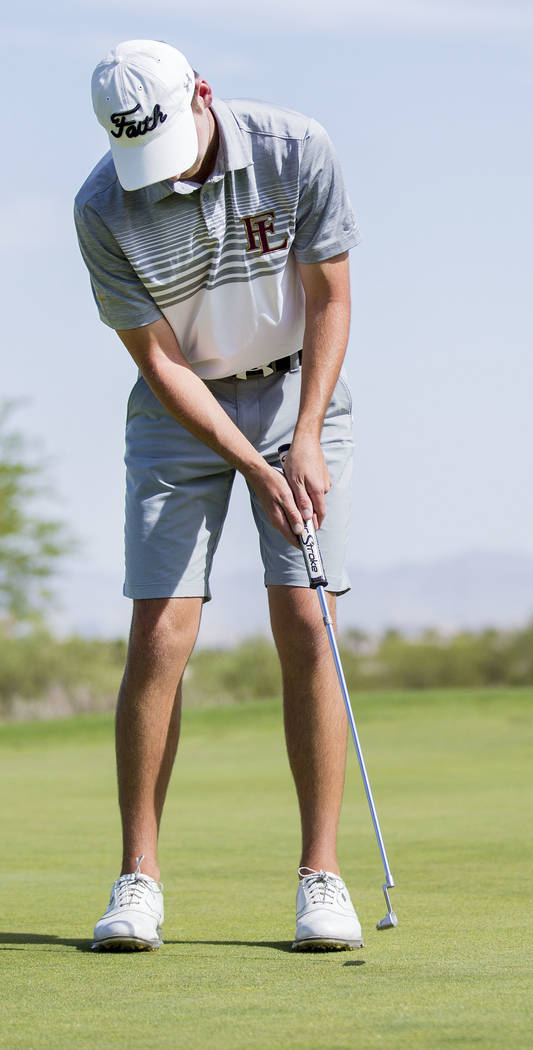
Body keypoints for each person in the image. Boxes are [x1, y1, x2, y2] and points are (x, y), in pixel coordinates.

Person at [75, 39, 363, 952]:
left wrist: (305, 435)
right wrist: (249, 461)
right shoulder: (101, 206)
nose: (156, 177)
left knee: (306, 619)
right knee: (160, 631)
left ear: (202, 94)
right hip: (182, 409)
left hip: (297, 392)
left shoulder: (295, 149)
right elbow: (160, 361)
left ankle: (321, 877)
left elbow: (329, 300)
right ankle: (138, 882)